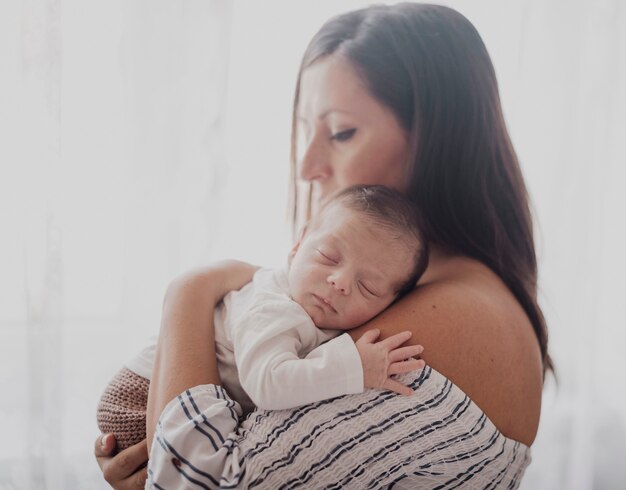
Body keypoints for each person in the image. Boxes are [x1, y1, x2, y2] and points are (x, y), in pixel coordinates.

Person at [95, 3, 552, 488]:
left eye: (341, 133)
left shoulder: (455, 315)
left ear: (438, 140)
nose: (307, 166)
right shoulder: (428, 291)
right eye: (304, 130)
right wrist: (149, 443)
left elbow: (195, 481)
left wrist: (188, 291)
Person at [96, 185, 428, 450]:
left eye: (367, 287)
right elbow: (269, 384)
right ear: (297, 246)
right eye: (328, 257)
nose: (339, 282)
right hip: (138, 399)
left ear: (391, 303)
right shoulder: (275, 307)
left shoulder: (312, 307)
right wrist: (354, 367)